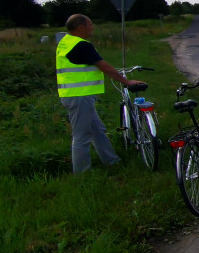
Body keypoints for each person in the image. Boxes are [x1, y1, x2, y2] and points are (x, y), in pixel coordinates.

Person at [56, 14, 146, 173]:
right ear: (80, 28)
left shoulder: (65, 42)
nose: (93, 27)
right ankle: (83, 174)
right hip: (80, 96)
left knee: (97, 130)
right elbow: (104, 67)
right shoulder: (81, 45)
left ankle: (112, 161)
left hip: (74, 95)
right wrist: (127, 82)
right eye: (90, 24)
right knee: (81, 137)